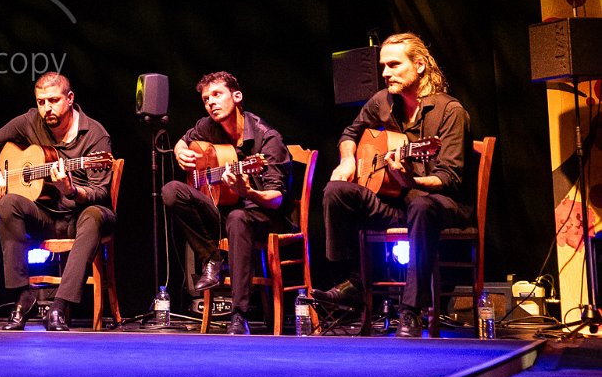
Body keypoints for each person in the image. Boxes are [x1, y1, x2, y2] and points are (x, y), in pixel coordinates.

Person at [312, 32, 472, 338]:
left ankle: (411, 310)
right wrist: (347, 161)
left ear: (420, 65)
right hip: (397, 201)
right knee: (336, 191)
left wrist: (411, 180)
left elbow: (449, 177)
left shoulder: (450, 111)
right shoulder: (382, 101)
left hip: (440, 203)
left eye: (394, 65)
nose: (385, 73)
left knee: (421, 204)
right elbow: (350, 133)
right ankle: (353, 282)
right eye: (383, 66)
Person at [0, 72, 115, 331]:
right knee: (8, 203)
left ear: (70, 98)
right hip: (46, 215)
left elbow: (99, 192)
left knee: (95, 214)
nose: (47, 108)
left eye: (53, 100)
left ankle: (60, 305)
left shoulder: (95, 134)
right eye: (41, 102)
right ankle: (22, 296)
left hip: (80, 217)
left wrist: (71, 190)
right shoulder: (30, 122)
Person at [161, 71, 291, 335]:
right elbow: (183, 141)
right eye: (206, 99)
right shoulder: (209, 126)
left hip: (264, 216)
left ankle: (239, 314)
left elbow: (276, 199)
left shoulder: (268, 140)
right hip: (224, 211)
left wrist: (247, 192)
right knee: (172, 191)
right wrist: (180, 152)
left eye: (217, 95)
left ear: (237, 96)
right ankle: (212, 258)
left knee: (238, 218)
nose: (211, 102)